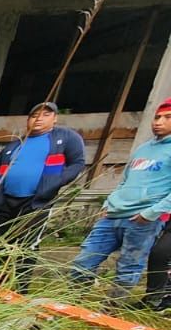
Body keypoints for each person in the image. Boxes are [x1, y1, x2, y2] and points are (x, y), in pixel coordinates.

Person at [71, 98, 171, 296]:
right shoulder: (143, 149)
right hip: (114, 215)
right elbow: (125, 180)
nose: (158, 122)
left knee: (128, 266)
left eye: (167, 118)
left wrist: (151, 213)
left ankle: (111, 308)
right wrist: (109, 203)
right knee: (83, 261)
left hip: (142, 220)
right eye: (157, 117)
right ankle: (75, 301)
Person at [0, 102, 86, 290]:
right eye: (34, 115)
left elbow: (77, 163)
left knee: (26, 246)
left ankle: (20, 289)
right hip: (4, 202)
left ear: (55, 118)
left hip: (35, 202)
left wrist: (54, 183)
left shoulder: (64, 138)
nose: (39, 118)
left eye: (46, 114)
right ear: (27, 120)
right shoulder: (14, 145)